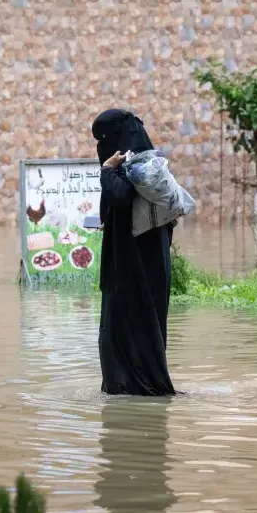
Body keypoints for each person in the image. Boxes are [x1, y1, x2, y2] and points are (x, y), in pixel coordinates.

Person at [92, 108, 176, 396]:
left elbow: (121, 196)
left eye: (102, 138)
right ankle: (128, 387)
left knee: (129, 325)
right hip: (140, 260)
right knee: (126, 326)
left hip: (137, 265)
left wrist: (106, 170)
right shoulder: (140, 163)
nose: (100, 147)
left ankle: (137, 388)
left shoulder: (140, 165)